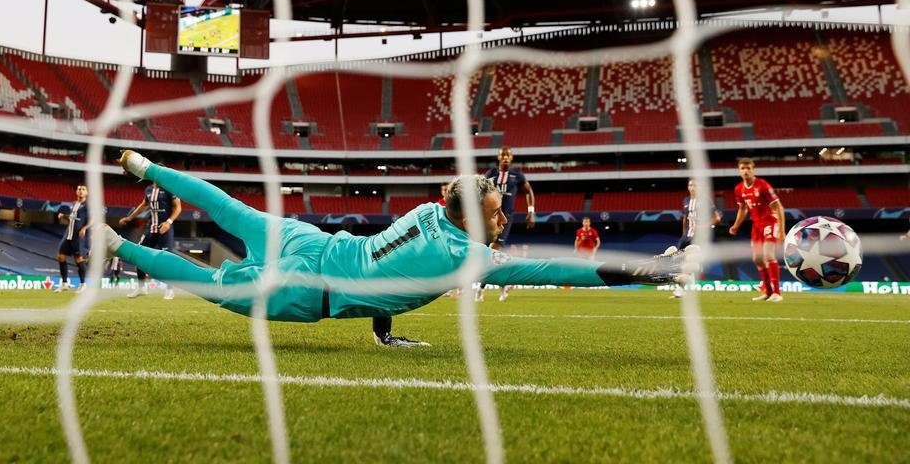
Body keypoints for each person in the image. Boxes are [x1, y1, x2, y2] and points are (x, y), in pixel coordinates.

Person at [99, 151, 691, 338]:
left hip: (314, 242)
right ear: (473, 219)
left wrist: (383, 327)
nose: (504, 213)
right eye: (495, 209)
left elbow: (393, 268)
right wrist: (640, 269)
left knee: (227, 208)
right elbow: (560, 271)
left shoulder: (430, 208)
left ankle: (145, 165)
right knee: (205, 280)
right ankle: (114, 244)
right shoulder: (471, 259)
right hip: (308, 289)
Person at [728, 158, 786, 303]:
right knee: (757, 259)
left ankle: (777, 293)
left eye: (748, 168)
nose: (745, 171)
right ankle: (768, 292)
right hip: (757, 225)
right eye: (742, 168)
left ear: (753, 170)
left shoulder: (762, 185)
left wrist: (782, 230)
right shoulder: (739, 189)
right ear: (739, 170)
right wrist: (736, 225)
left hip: (770, 221)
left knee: (768, 255)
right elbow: (742, 208)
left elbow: (779, 207)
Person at [120, 170, 183, 299]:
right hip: (151, 229)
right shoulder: (148, 189)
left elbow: (178, 208)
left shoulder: (170, 188)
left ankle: (170, 289)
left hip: (165, 229)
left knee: (167, 259)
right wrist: (130, 218)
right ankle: (142, 287)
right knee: (138, 254)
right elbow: (143, 205)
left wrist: (168, 222)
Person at [483, 147, 536, 301]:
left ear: (511, 158)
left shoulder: (516, 174)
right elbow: (480, 191)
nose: (505, 157)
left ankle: (481, 289)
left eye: (508, 155)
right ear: (499, 157)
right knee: (490, 253)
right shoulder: (491, 174)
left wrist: (531, 211)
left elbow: (529, 191)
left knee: (492, 252)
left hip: (505, 218)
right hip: (489, 217)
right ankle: (502, 286)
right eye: (503, 155)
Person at [670, 178, 722, 298]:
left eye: (695, 185)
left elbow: (717, 218)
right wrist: (683, 234)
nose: (692, 187)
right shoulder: (686, 200)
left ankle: (680, 290)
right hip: (686, 236)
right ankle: (680, 289)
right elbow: (685, 218)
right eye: (690, 185)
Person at [56, 185, 90, 293]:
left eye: (83, 189)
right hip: (68, 235)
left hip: (77, 236)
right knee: (61, 257)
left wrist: (84, 228)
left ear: (87, 193)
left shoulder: (87, 206)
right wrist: (64, 216)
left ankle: (83, 285)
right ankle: (65, 284)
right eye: (79, 189)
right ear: (76, 191)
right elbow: (73, 219)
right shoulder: (73, 204)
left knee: (79, 260)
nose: (80, 191)